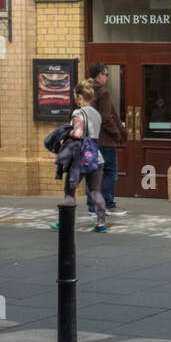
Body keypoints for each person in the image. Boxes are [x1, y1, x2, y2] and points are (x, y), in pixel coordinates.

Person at [56, 80, 107, 233]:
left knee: (70, 190)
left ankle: (65, 222)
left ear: (79, 97)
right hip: (96, 157)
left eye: (74, 96)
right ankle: (101, 223)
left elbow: (78, 133)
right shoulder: (96, 114)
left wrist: (67, 132)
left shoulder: (79, 113)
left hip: (80, 158)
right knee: (95, 191)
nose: (74, 99)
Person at [87, 63, 126, 216]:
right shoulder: (102, 92)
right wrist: (117, 134)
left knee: (92, 172)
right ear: (99, 75)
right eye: (106, 74)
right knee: (110, 171)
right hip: (104, 139)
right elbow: (106, 118)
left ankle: (92, 206)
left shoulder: (83, 90)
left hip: (88, 138)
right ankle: (108, 204)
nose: (107, 78)